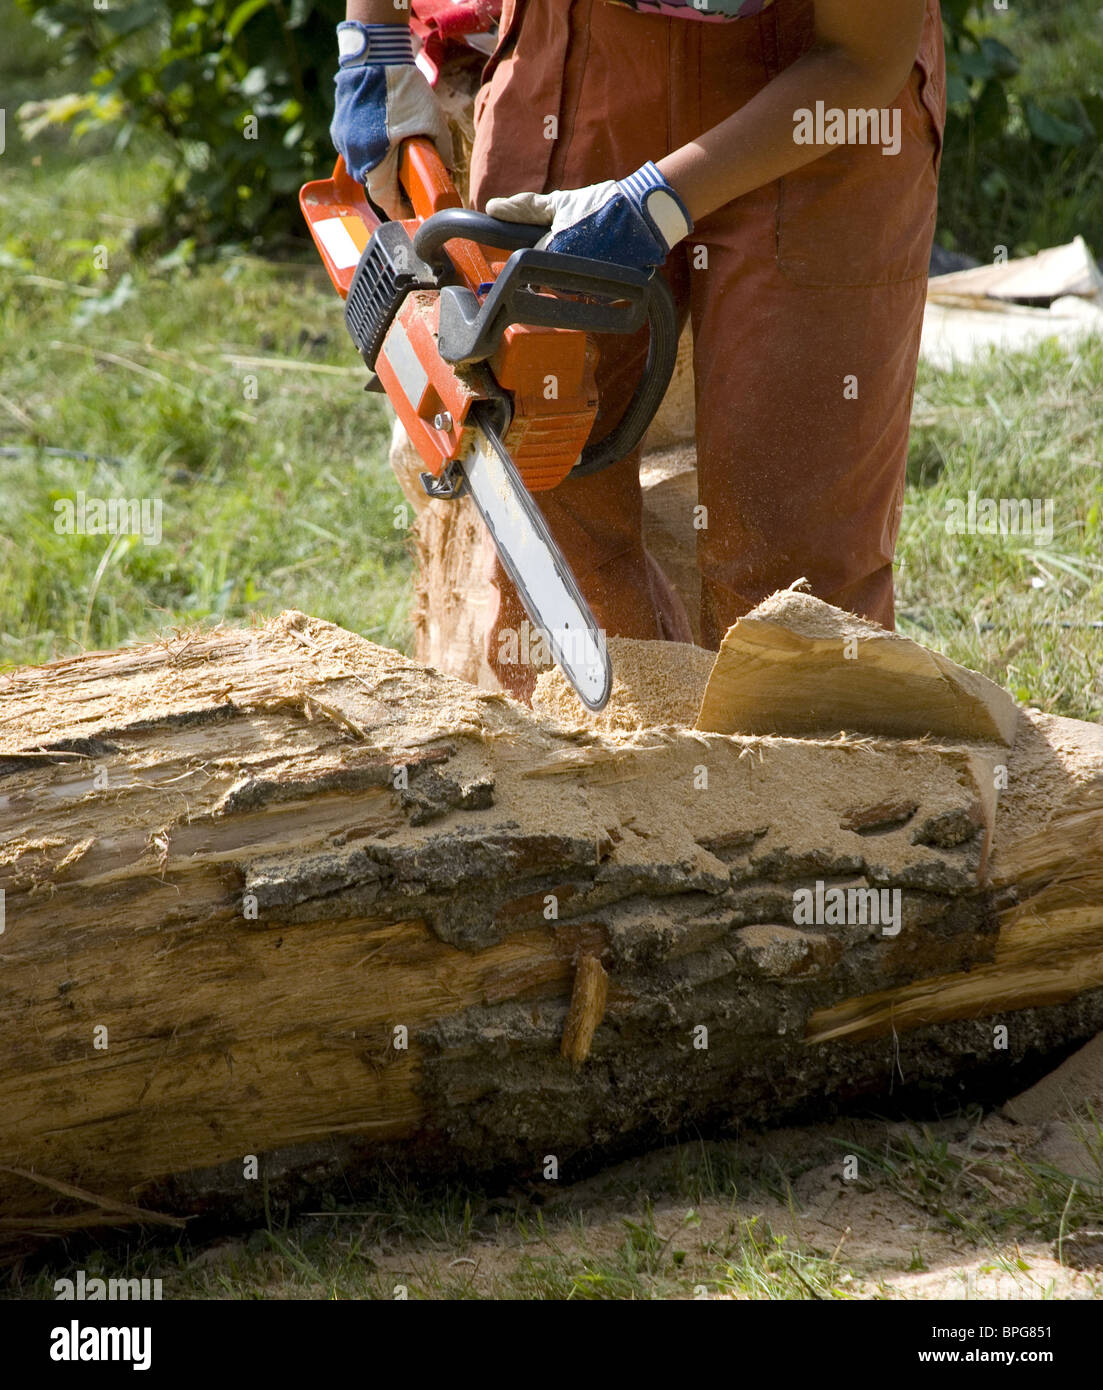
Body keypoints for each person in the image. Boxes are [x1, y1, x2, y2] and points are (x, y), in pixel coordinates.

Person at [331, 0, 945, 702]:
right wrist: (372, 40)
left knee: (793, 574)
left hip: (821, 90)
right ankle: (578, 772)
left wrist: (650, 205)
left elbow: (862, 55)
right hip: (574, 57)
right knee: (545, 490)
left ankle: (812, 788)